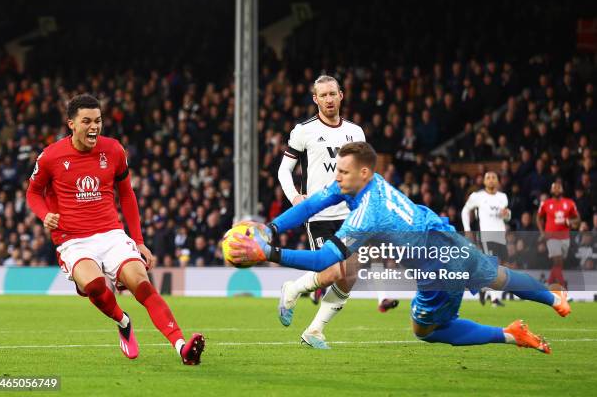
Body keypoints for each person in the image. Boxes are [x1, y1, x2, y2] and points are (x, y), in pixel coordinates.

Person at [230, 142, 570, 354]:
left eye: (343, 172)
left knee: (426, 329)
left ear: (362, 173)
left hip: (437, 265)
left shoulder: (367, 215)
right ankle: (554, 298)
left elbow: (323, 258)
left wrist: (269, 254)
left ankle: (509, 334)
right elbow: (310, 205)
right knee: (499, 278)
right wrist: (271, 228)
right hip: (446, 237)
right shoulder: (366, 182)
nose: (337, 177)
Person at [26, 94, 204, 365]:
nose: (94, 126)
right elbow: (33, 193)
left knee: (141, 283)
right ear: (71, 124)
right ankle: (123, 322)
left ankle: (181, 347)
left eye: (98, 120)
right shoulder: (51, 156)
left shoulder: (114, 151)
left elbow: (127, 196)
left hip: (111, 235)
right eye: (86, 121)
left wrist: (139, 241)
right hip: (73, 240)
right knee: (95, 284)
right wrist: (45, 214)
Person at [277, 75, 397, 349]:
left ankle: (315, 330)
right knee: (332, 271)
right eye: (323, 95)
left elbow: (364, 174)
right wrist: (295, 196)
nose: (329, 99)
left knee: (350, 275)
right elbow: (284, 169)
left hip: (351, 214)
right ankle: (293, 289)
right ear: (315, 99)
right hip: (320, 214)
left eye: (333, 94)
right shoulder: (303, 131)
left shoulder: (356, 133)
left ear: (341, 95)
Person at [461, 171, 511, 306]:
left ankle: (483, 288)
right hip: (486, 235)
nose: (491, 180)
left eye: (494, 177)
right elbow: (465, 211)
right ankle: (494, 298)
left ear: (498, 181)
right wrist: (467, 229)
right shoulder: (478, 196)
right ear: (484, 182)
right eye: (488, 178)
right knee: (492, 265)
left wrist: (507, 214)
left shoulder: (503, 197)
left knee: (502, 265)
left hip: (500, 234)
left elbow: (507, 216)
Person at [536, 180, 580, 287]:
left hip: (565, 237)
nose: (556, 189)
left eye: (558, 187)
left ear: (562, 190)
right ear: (551, 190)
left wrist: (571, 222)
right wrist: (542, 232)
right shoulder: (546, 203)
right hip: (551, 237)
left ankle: (548, 284)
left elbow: (578, 219)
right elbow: (538, 218)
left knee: (558, 264)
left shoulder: (569, 203)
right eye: (554, 187)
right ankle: (563, 288)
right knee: (557, 260)